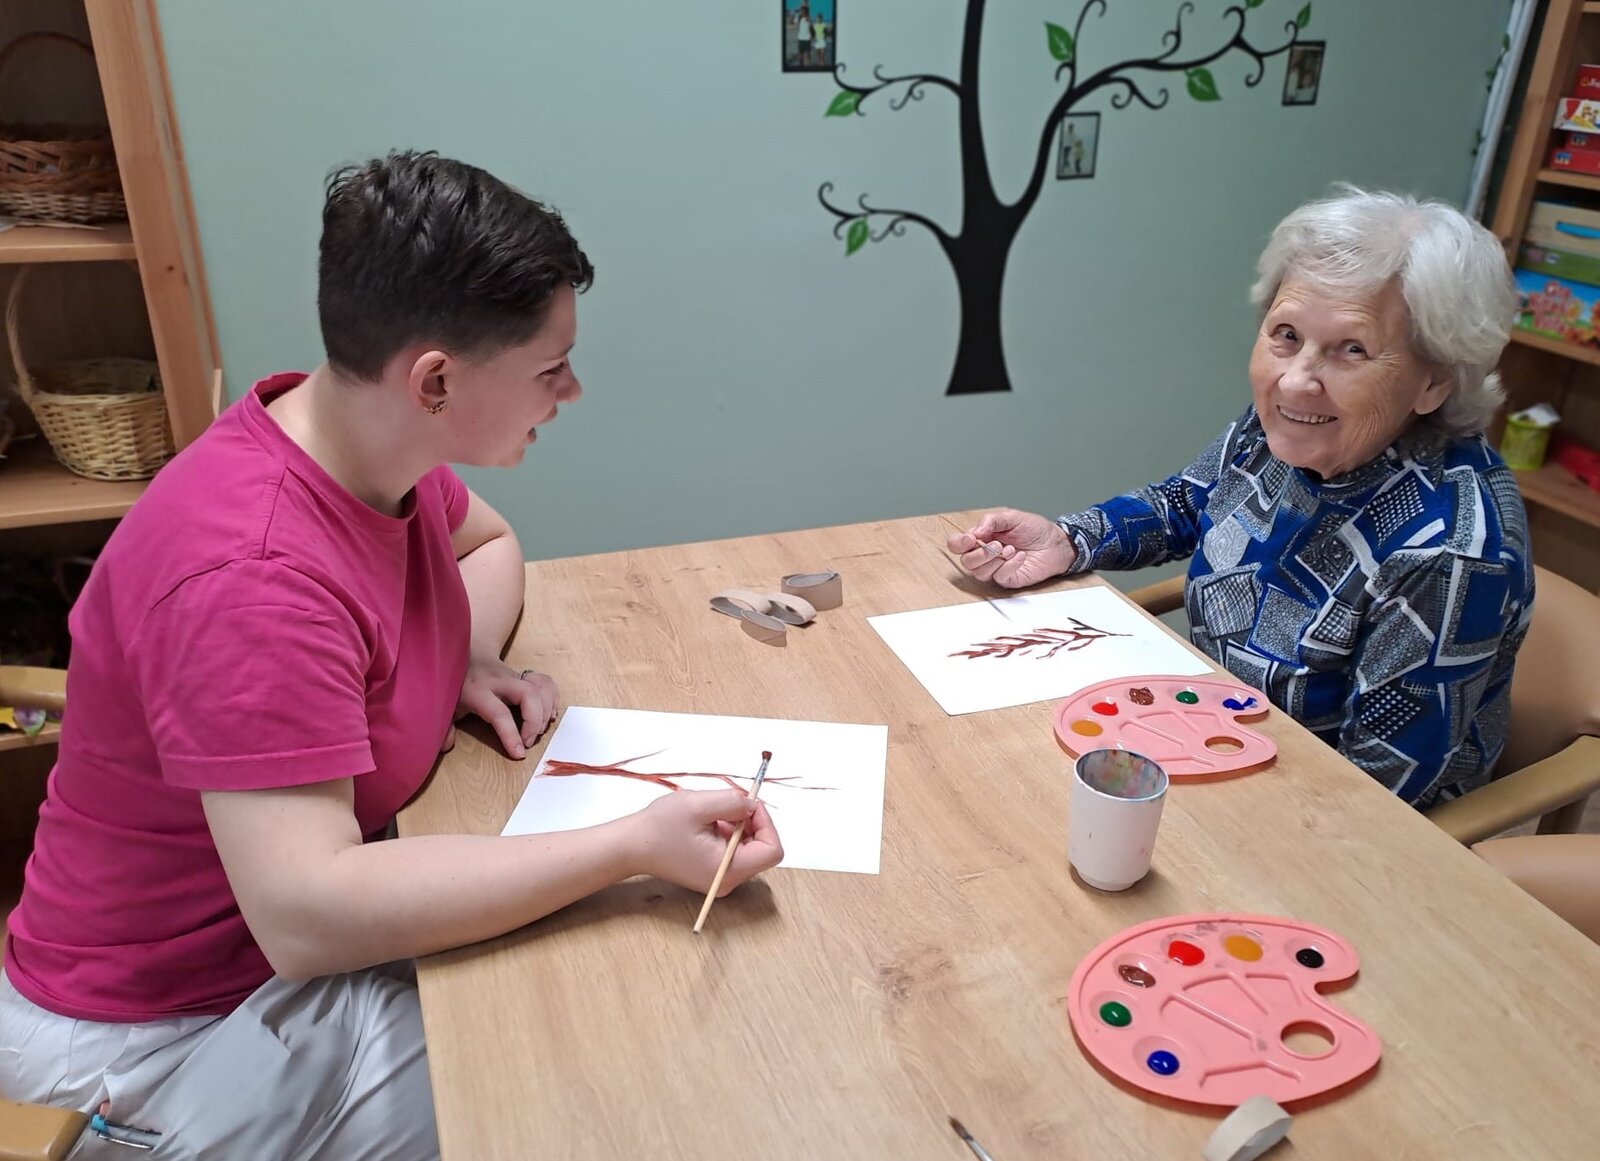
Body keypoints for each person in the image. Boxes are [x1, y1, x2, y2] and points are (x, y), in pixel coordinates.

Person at [0, 151, 783, 1160]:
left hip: (263, 957)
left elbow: (487, 543)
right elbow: (309, 915)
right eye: (549, 369)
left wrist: (455, 653)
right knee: (583, 1072)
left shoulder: (357, 442)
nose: (571, 391)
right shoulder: (255, 577)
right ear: (436, 380)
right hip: (159, 1036)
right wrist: (628, 846)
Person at [949, 186, 1533, 809]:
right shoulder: (1291, 427)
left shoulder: (1447, 554)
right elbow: (1188, 503)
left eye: (1352, 349)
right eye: (1287, 334)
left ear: (1434, 383)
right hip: (1207, 730)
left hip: (1306, 809)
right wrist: (1069, 540)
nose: (1296, 380)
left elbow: (1375, 792)